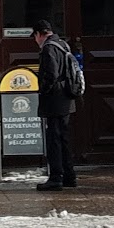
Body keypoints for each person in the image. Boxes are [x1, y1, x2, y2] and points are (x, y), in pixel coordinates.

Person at [32, 19, 78, 191]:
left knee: (54, 139)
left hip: (54, 100)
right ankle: (69, 176)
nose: (36, 41)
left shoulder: (48, 48)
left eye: (35, 36)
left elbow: (51, 74)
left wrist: (43, 90)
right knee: (64, 138)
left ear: (39, 34)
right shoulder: (63, 45)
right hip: (67, 98)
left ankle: (56, 177)